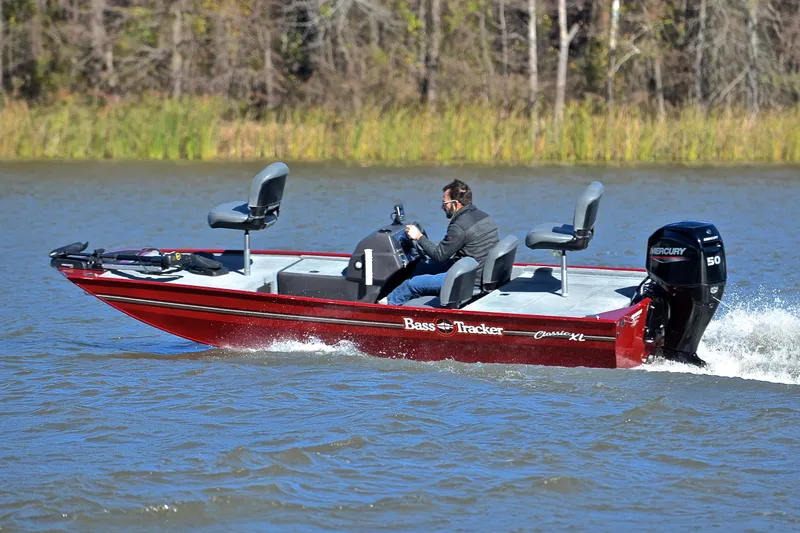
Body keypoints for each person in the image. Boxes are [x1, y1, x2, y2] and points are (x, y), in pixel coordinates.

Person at [381, 179, 499, 306]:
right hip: (474, 270)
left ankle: (383, 308)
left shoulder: (459, 226)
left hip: (468, 280)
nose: (442, 207)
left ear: (455, 203)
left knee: (412, 284)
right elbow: (446, 252)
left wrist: (419, 237)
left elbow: (439, 256)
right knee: (421, 266)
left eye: (445, 203)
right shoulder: (483, 216)